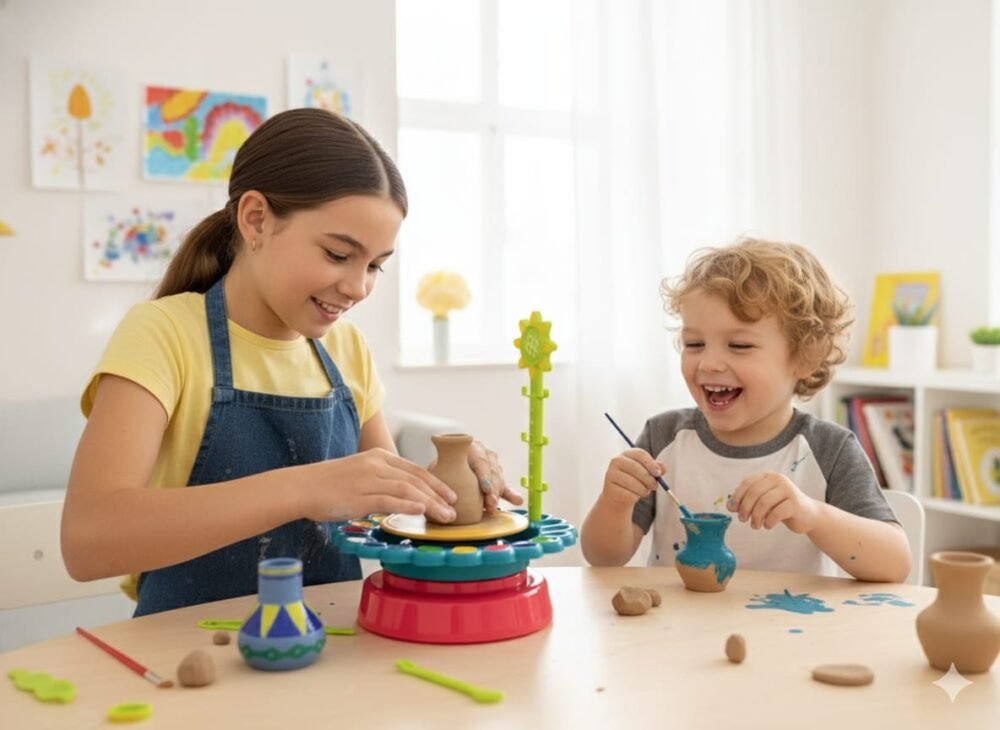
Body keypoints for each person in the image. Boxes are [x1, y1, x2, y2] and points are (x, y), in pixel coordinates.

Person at [61, 108, 522, 615]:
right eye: (336, 254)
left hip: (331, 647)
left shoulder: (348, 352)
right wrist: (305, 488)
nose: (359, 287)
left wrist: (440, 485)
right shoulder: (164, 335)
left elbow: (380, 518)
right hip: (187, 657)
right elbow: (88, 540)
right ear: (256, 218)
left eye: (374, 266)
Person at [580, 238, 910, 582]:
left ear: (805, 357)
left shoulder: (830, 450)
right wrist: (613, 503)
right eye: (694, 344)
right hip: (676, 632)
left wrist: (812, 514)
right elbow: (602, 558)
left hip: (790, 631)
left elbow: (895, 564)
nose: (708, 363)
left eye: (739, 345)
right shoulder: (663, 437)